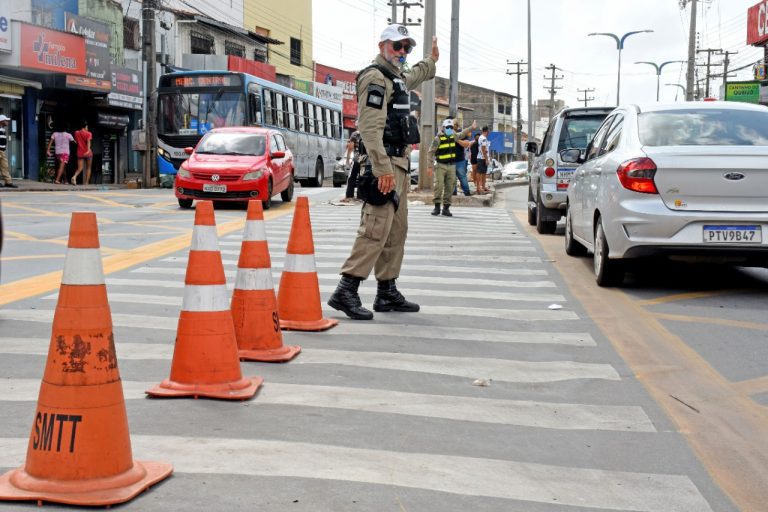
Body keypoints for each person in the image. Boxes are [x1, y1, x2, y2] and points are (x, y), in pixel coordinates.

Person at [328, 24, 439, 320]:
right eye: (396, 46)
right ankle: (346, 289)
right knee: (375, 227)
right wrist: (381, 168)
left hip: (398, 164)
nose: (402, 52)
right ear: (382, 46)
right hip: (383, 164)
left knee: (396, 230)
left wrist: (431, 61)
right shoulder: (375, 77)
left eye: (406, 47)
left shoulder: (396, 76)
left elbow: (416, 74)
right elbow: (369, 127)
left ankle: (386, 291)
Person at [427, 118, 474, 216]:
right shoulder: (438, 139)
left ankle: (446, 208)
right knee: (439, 186)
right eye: (448, 127)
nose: (449, 129)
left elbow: (462, 134)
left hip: (452, 166)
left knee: (450, 187)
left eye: (451, 127)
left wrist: (471, 128)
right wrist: (430, 166)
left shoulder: (454, 136)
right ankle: (437, 207)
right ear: (443, 128)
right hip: (440, 166)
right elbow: (431, 152)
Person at [453, 119, 476, 197]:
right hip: (450, 160)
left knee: (462, 177)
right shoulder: (448, 133)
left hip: (459, 160)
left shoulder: (461, 133)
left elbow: (466, 144)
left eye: (455, 125)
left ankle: (467, 192)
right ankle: (453, 193)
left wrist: (457, 139)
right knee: (452, 178)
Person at [341, 130, 362, 203]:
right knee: (362, 178)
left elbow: (350, 147)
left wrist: (347, 160)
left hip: (357, 159)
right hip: (366, 160)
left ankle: (349, 196)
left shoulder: (355, 134)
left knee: (351, 178)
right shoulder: (368, 132)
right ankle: (361, 196)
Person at [72, 121, 93, 185]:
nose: (87, 128)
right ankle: (86, 182)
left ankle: (74, 176)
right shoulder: (89, 133)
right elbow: (88, 142)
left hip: (80, 152)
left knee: (80, 168)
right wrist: (88, 150)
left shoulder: (76, 132)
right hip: (88, 153)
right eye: (87, 127)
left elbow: (76, 141)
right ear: (85, 127)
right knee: (88, 168)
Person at [0, 114, 16, 188]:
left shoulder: (3, 130)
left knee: (5, 166)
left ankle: (8, 182)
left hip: (2, 151)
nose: (7, 122)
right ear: (1, 121)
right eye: (5, 120)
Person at [476, 126, 491, 194]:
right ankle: (478, 187)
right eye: (488, 131)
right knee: (479, 173)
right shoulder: (483, 138)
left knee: (484, 173)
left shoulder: (482, 138)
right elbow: (483, 149)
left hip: (482, 158)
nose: (489, 132)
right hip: (482, 158)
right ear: (487, 131)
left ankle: (483, 186)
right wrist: (486, 159)